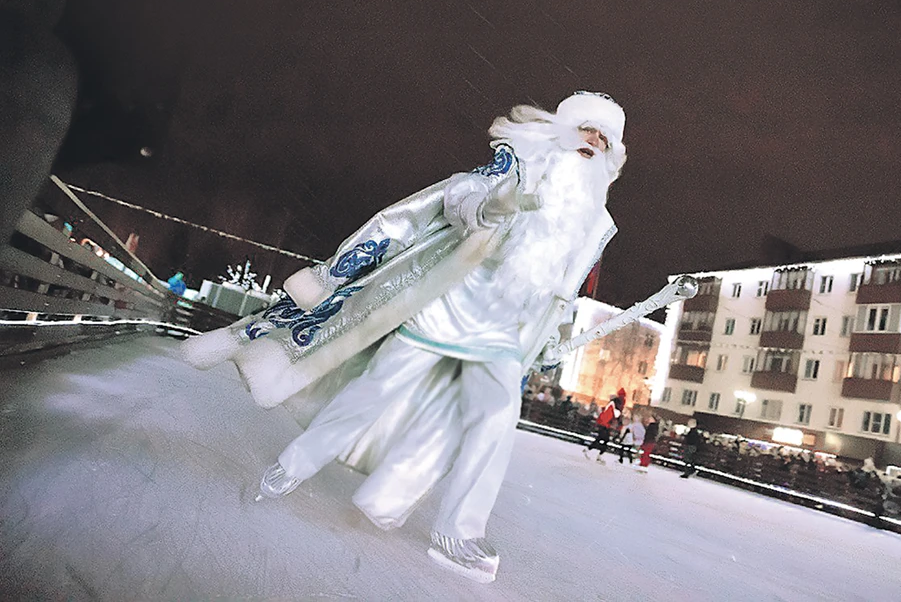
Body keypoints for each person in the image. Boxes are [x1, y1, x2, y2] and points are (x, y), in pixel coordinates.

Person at [181, 91, 628, 583]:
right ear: (563, 131)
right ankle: (291, 467)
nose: (595, 141)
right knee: (370, 396)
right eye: (588, 129)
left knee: (495, 422)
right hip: (441, 309)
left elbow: (559, 291)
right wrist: (500, 202)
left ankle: (457, 533)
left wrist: (551, 337)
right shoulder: (518, 164)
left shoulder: (592, 220)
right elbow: (457, 199)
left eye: (605, 138)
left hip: (500, 335)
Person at [582, 388, 626, 465]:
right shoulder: (617, 405)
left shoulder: (611, 404)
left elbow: (607, 414)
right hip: (605, 425)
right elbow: (614, 414)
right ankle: (596, 454)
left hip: (604, 424)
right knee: (604, 440)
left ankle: (590, 450)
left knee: (601, 439)